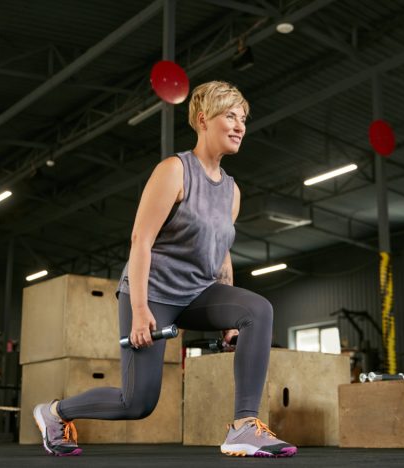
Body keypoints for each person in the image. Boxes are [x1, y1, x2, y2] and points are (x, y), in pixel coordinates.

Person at [33, 81, 297, 458]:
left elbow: (222, 254)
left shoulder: (232, 191)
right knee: (137, 402)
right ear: (203, 120)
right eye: (230, 116)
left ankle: (243, 427)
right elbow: (140, 241)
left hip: (198, 293)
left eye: (243, 119)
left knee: (257, 310)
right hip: (152, 293)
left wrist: (229, 322)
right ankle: (55, 412)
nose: (240, 126)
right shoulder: (174, 170)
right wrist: (140, 310)